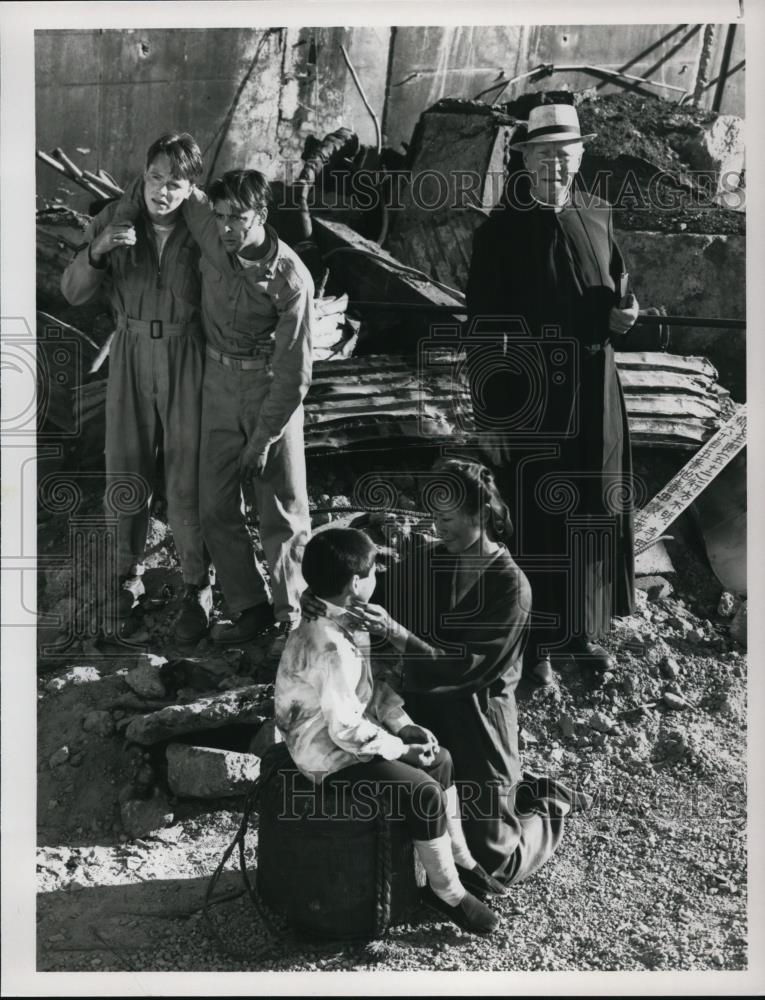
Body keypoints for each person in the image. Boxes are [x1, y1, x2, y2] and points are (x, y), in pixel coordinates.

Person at [302, 461, 589, 885]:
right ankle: (516, 789)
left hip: (478, 718)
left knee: (492, 862)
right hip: (424, 715)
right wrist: (320, 596)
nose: (438, 528)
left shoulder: (512, 588)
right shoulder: (431, 562)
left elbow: (468, 668)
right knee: (421, 830)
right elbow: (366, 588)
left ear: (481, 515)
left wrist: (396, 634)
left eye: (448, 519)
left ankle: (549, 803)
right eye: (434, 517)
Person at [465, 102, 639, 684]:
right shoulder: (499, 233)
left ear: (581, 157)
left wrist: (625, 314)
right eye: (545, 156)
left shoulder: (598, 212)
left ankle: (583, 632)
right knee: (538, 509)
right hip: (533, 396)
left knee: (594, 505)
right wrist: (490, 412)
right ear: (525, 160)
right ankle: (536, 645)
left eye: (566, 155)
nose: (556, 166)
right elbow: (482, 331)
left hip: (596, 390)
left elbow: (616, 285)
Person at [275, 527, 505, 934]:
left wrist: (404, 725)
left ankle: (462, 861)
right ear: (356, 583)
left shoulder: (347, 618)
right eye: (374, 571)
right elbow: (345, 728)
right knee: (423, 791)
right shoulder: (328, 644)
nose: (378, 577)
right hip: (325, 754)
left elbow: (368, 692)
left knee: (442, 760)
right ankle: (446, 891)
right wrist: (400, 748)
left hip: (343, 734)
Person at [61, 132, 212, 643]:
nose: (161, 192)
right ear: (143, 174)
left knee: (187, 473)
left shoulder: (205, 225)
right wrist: (97, 251)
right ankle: (127, 576)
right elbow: (73, 291)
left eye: (175, 183)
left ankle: (197, 586)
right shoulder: (116, 218)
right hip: (128, 352)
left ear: (191, 187)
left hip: (187, 353)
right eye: (155, 178)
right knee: (124, 467)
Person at [181, 170, 313, 645]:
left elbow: (296, 373)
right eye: (219, 217)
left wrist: (263, 439)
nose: (225, 228)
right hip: (216, 386)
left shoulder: (291, 278)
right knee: (215, 505)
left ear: (261, 214)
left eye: (237, 217)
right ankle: (249, 608)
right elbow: (175, 184)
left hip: (270, 390)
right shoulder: (211, 233)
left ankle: (292, 617)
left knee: (280, 509)